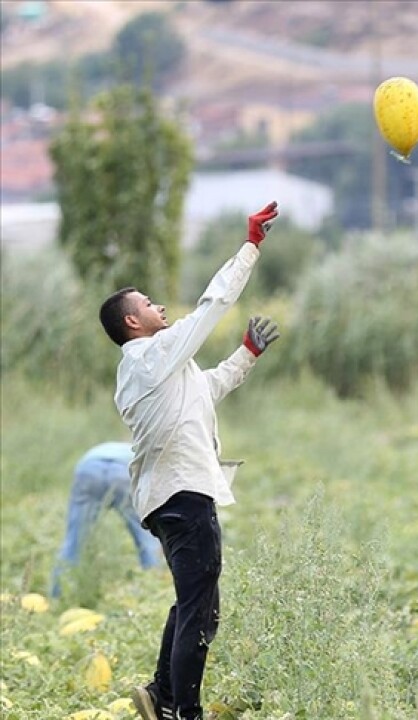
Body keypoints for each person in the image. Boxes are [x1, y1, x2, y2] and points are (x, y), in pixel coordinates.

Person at [100, 201, 283, 720]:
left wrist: (247, 352)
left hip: (174, 496)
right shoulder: (150, 356)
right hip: (182, 496)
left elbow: (210, 387)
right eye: (152, 304)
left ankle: (161, 694)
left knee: (193, 602)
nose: (163, 309)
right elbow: (212, 304)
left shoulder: (160, 371)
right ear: (133, 322)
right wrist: (251, 246)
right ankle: (185, 711)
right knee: (200, 608)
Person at [50, 442, 163, 598]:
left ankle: (56, 596)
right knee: (147, 539)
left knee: (74, 540)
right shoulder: (145, 454)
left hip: (88, 469)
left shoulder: (112, 448)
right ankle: (154, 591)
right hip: (124, 471)